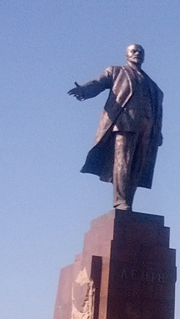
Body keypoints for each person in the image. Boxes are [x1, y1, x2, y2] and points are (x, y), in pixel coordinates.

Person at [69, 44, 164, 211]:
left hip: (146, 127)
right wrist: (84, 90)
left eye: (141, 52)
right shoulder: (116, 71)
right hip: (124, 123)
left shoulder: (153, 85)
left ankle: (128, 202)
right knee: (123, 162)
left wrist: (158, 131)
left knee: (137, 166)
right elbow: (99, 82)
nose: (138, 54)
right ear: (126, 55)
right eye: (134, 51)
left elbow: (157, 108)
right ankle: (121, 201)